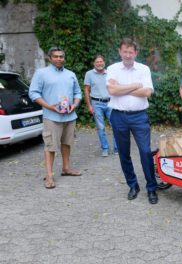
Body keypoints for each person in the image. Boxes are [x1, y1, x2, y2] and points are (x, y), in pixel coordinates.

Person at [106, 38, 158, 204]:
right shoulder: (112, 68)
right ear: (120, 52)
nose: (128, 55)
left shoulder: (143, 69)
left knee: (145, 152)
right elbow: (111, 90)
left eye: (131, 52)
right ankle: (133, 185)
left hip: (139, 116)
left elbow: (147, 92)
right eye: (125, 51)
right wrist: (136, 85)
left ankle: (151, 188)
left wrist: (121, 88)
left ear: (136, 53)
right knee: (123, 153)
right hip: (118, 115)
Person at [29, 47, 82, 189]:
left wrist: (74, 105)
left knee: (66, 143)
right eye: (56, 56)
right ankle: (49, 175)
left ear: (64, 58)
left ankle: (66, 169)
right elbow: (33, 93)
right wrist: (49, 106)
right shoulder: (41, 73)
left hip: (69, 116)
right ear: (50, 58)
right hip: (51, 116)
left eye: (61, 56)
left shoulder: (70, 74)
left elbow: (78, 93)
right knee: (50, 146)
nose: (59, 59)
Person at [84, 55, 118, 157]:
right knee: (101, 127)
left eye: (101, 61)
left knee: (115, 125)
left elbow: (115, 86)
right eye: (97, 62)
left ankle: (117, 148)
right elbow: (86, 90)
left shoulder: (110, 73)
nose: (99, 63)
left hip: (110, 102)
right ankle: (105, 149)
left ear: (104, 62)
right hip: (96, 103)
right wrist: (89, 106)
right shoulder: (89, 74)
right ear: (94, 63)